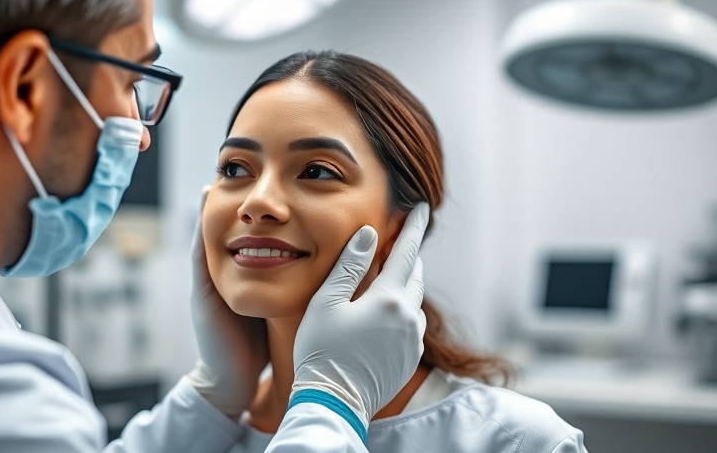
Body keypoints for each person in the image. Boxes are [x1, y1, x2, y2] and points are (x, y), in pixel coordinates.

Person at [0, 0, 429, 452]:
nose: (139, 135)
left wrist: (209, 399)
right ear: (27, 88)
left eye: (318, 171)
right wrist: (332, 401)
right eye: (131, 81)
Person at [198, 50, 590, 452]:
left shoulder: (515, 441)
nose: (256, 202)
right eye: (235, 169)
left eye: (316, 171)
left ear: (402, 225)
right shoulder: (191, 431)